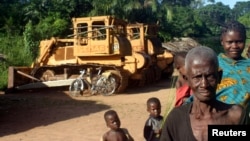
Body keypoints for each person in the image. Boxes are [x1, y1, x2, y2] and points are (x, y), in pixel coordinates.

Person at [160, 46, 250, 141]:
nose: (204, 84)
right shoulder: (176, 119)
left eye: (210, 76)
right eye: (197, 77)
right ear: (187, 79)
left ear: (219, 77)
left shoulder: (235, 116)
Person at [216, 20, 250, 114]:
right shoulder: (213, 64)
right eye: (230, 42)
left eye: (239, 42)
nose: (234, 46)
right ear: (222, 42)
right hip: (221, 119)